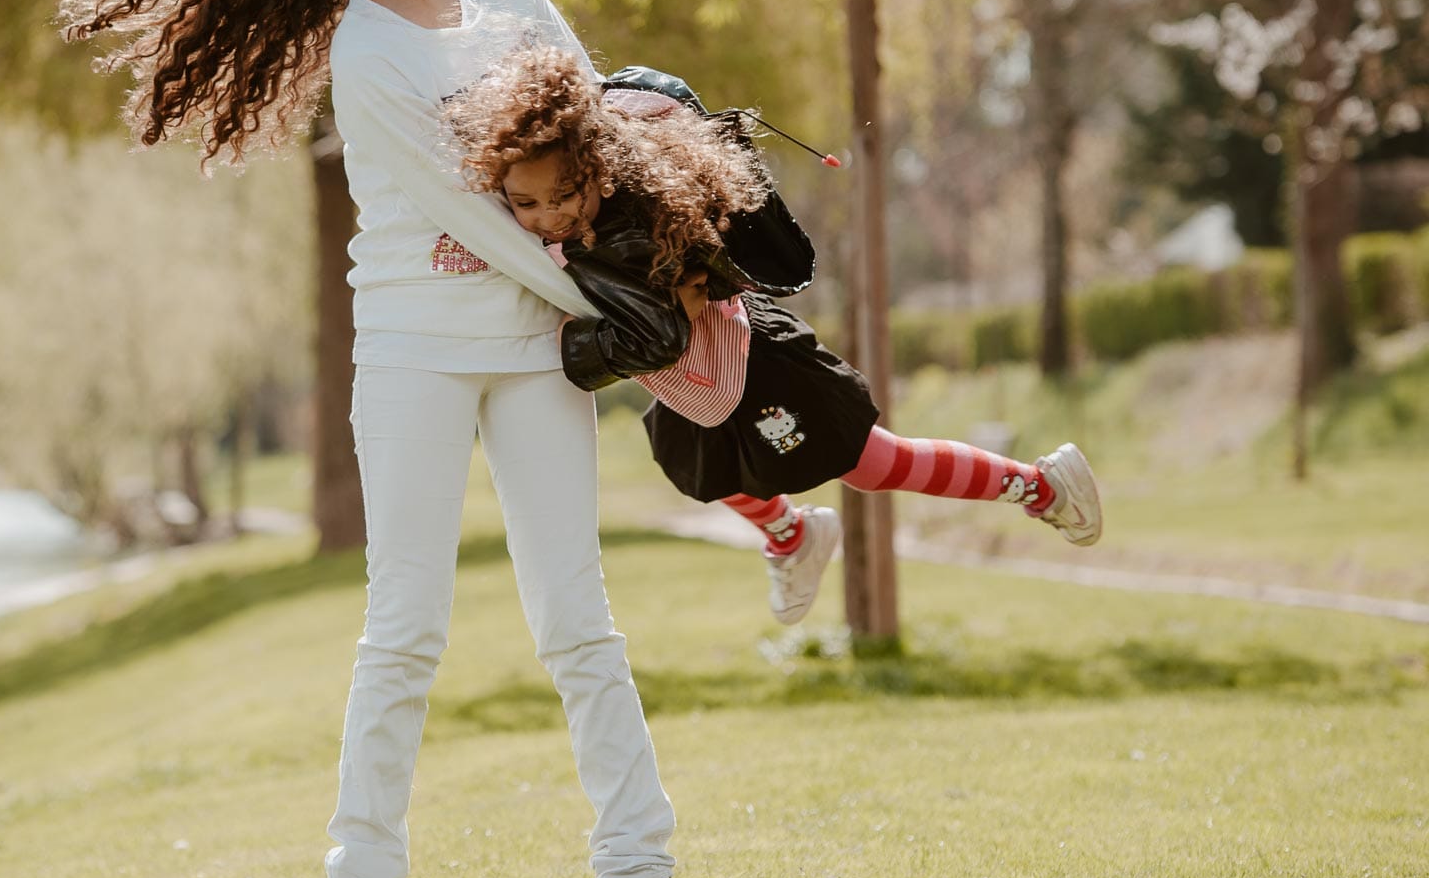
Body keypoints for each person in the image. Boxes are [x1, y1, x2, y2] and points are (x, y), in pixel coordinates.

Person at [56, 0, 676, 878]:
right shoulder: (365, 49)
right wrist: (616, 315)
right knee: (405, 619)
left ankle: (638, 868)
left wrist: (644, 268)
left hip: (544, 343)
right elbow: (483, 219)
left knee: (575, 614)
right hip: (418, 354)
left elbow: (582, 126)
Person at [443, 45, 1105, 624]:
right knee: (702, 468)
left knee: (872, 463)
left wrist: (569, 351)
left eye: (563, 196)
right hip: (700, 379)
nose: (546, 217)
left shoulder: (622, 233)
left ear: (598, 170)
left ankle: (1041, 485)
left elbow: (656, 340)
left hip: (749, 358)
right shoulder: (577, 223)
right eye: (524, 204)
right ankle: (793, 537)